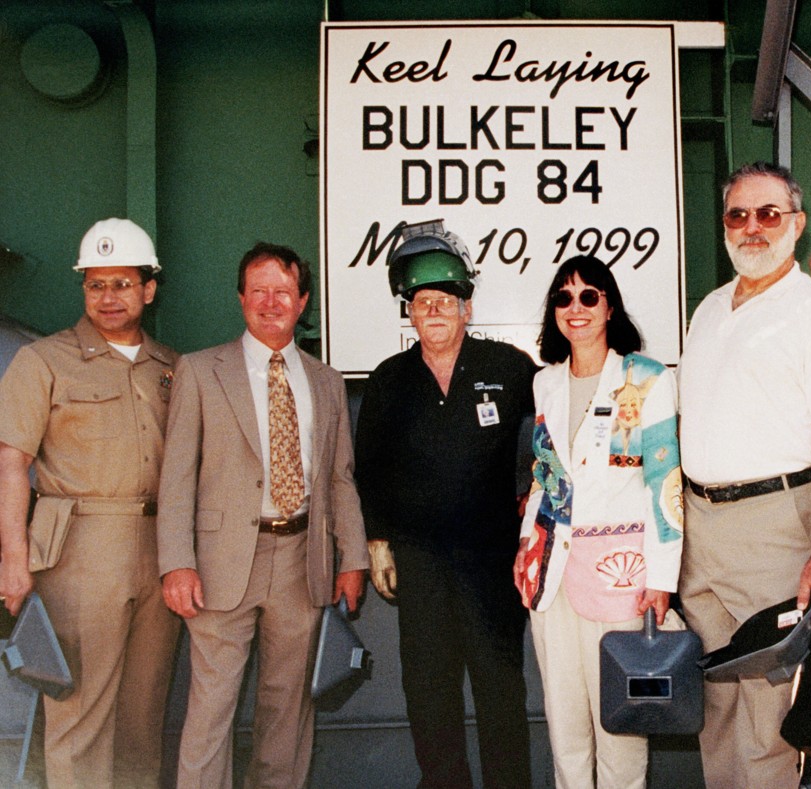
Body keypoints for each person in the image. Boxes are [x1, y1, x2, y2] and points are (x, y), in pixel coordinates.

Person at [156, 242, 369, 788]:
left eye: (283, 291)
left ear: (303, 302)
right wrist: (176, 563)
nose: (270, 302)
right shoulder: (201, 371)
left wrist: (354, 559)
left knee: (288, 713)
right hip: (220, 563)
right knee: (210, 712)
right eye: (259, 291)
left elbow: (340, 477)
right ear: (241, 298)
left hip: (302, 560)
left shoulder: (325, 381)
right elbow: (176, 476)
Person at [676, 161, 811, 788]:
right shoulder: (706, 311)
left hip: (774, 529)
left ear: (798, 224)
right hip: (701, 530)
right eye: (738, 214)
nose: (751, 227)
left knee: (771, 707)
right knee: (716, 703)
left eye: (768, 214)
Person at [355, 220, 535, 789]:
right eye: (422, 302)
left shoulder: (509, 368)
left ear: (468, 307)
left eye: (445, 300)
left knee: (500, 691)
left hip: (493, 565)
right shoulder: (389, 379)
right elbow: (370, 466)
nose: (433, 310)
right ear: (408, 312)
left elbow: (548, 442)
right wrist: (377, 538)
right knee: (429, 695)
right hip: (421, 563)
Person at [0, 218, 178, 788]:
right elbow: (10, 464)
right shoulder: (44, 360)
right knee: (78, 715)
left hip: (158, 550)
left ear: (148, 288)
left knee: (143, 717)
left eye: (122, 283)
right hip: (78, 550)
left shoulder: (171, 368)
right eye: (96, 284)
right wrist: (12, 559)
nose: (108, 297)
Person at [513, 255, 684, 789]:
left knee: (621, 732)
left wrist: (662, 579)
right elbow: (545, 476)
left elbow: (665, 483)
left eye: (589, 295)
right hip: (551, 576)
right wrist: (526, 549)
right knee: (564, 729)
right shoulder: (545, 383)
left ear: (609, 305)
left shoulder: (646, 377)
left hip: (621, 577)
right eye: (564, 298)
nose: (576, 307)